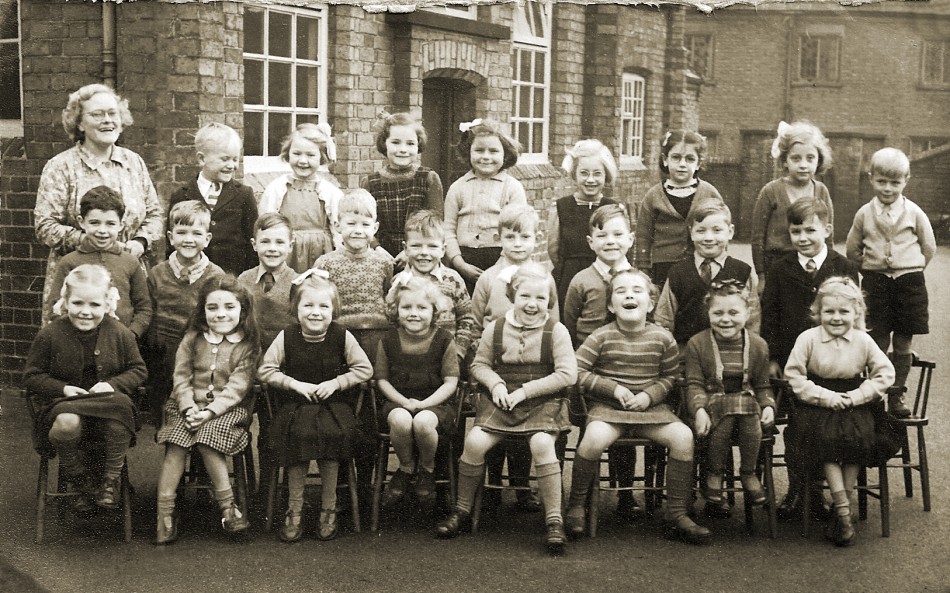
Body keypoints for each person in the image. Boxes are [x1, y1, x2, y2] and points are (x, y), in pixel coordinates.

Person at [436, 263, 577, 554]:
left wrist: (526, 391)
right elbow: (479, 365)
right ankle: (461, 511)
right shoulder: (496, 328)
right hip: (502, 399)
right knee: (474, 442)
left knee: (541, 444)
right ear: (513, 296)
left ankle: (553, 520)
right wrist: (497, 385)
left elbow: (567, 375)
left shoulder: (556, 330)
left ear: (549, 300)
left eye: (540, 298)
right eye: (525, 296)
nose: (532, 304)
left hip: (542, 400)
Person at [565, 269, 711, 545]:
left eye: (637, 290)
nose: (629, 295)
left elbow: (671, 377)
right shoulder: (600, 336)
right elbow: (577, 371)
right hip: (609, 409)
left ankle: (677, 513)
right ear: (610, 305)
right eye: (620, 291)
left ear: (651, 302)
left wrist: (650, 395)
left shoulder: (662, 337)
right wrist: (612, 388)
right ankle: (575, 507)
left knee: (683, 437)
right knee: (594, 437)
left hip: (650, 409)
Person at [760, 198, 858, 522]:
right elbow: (770, 316)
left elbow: (855, 317)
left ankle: (823, 489)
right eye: (796, 231)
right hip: (794, 364)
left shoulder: (843, 267)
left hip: (835, 365)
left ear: (827, 230)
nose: (803, 237)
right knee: (798, 428)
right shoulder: (781, 269)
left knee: (828, 427)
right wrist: (773, 356)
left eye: (810, 230)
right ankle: (799, 489)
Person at [258, 272, 373, 542]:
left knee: (331, 441)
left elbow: (364, 369)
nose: (315, 312)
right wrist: (293, 384)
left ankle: (328, 507)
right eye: (308, 306)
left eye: (323, 306)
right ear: (296, 309)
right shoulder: (287, 336)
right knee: (297, 439)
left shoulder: (341, 335)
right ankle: (294, 509)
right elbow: (265, 370)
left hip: (333, 407)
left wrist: (337, 382)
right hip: (296, 407)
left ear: (334, 310)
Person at [34, 83, 162, 323]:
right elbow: (45, 226)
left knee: (125, 345)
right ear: (79, 123)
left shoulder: (134, 163)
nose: (107, 120)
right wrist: (89, 241)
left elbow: (155, 214)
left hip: (127, 279)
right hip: (77, 282)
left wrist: (140, 243)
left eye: (112, 113)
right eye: (97, 114)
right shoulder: (60, 167)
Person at [24, 264, 147, 513]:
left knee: (119, 414)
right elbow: (32, 376)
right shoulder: (50, 334)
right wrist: (63, 388)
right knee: (68, 422)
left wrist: (111, 384)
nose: (85, 312)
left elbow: (138, 370)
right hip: (64, 405)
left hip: (109, 404)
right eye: (78, 303)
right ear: (65, 301)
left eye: (94, 305)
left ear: (107, 305)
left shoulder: (120, 333)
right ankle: (79, 479)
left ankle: (109, 481)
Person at [784, 277, 896, 547]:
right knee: (827, 440)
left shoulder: (863, 340)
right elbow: (794, 376)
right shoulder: (808, 338)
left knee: (860, 437)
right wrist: (825, 397)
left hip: (854, 401)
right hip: (817, 404)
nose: (836, 318)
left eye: (844, 312)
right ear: (817, 312)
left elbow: (885, 373)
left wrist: (858, 396)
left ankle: (840, 509)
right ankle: (844, 511)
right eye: (829, 311)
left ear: (856, 312)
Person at [153, 275, 261, 545]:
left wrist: (209, 412)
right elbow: (181, 377)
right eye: (212, 308)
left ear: (243, 310)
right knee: (176, 442)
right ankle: (164, 514)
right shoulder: (192, 339)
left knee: (207, 439)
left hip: (227, 411)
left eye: (229, 307)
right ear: (202, 310)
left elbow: (238, 387)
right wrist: (189, 406)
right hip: (185, 406)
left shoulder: (247, 345)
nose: (220, 314)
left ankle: (228, 506)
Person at [470, 204, 557, 513]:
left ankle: (521, 485)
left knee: (526, 428)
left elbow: (553, 323)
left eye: (525, 236)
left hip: (532, 366)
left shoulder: (543, 278)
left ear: (536, 239)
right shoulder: (488, 278)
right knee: (493, 423)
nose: (518, 243)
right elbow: (475, 319)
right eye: (511, 236)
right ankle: (493, 484)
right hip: (496, 361)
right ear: (500, 238)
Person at [561, 204, 643, 521]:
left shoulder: (637, 281)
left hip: (629, 366)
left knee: (626, 429)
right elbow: (568, 327)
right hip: (590, 370)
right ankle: (584, 496)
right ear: (590, 242)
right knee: (591, 430)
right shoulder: (581, 281)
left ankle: (624, 494)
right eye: (602, 235)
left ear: (631, 239)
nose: (611, 241)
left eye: (618, 234)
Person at [846, 147, 936, 418]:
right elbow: (852, 249)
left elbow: (928, 246)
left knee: (903, 343)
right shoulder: (864, 213)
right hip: (877, 283)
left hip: (909, 283)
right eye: (882, 181)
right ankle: (874, 393)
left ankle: (896, 395)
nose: (887, 188)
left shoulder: (914, 212)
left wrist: (911, 267)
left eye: (895, 182)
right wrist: (870, 268)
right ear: (871, 178)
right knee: (878, 340)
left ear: (906, 180)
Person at [685, 281, 775, 507]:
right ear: (708, 313)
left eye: (734, 312)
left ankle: (748, 472)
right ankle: (715, 473)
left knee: (744, 407)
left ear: (748, 313)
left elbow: (763, 385)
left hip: (747, 406)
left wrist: (768, 406)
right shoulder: (698, 343)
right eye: (718, 313)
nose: (726, 319)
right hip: (711, 403)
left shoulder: (758, 345)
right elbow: (694, 384)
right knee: (731, 411)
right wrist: (699, 411)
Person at [376, 278, 460, 512]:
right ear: (396, 310)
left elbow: (451, 381)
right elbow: (381, 379)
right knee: (402, 420)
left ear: (434, 311)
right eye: (407, 307)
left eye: (422, 308)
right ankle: (405, 467)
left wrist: (424, 404)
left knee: (423, 423)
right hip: (397, 401)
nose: (414, 314)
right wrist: (404, 402)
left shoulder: (444, 339)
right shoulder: (388, 339)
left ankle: (428, 468)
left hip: (436, 403)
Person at [143, 201, 224, 419]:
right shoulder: (157, 274)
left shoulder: (215, 276)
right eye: (181, 232)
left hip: (200, 354)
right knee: (165, 409)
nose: (188, 239)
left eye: (196, 233)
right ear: (170, 237)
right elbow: (148, 314)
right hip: (163, 355)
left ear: (207, 239)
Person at [46, 185, 152, 339]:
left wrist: (130, 335)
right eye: (95, 223)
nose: (102, 230)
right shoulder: (69, 262)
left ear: (121, 225)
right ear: (82, 222)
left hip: (120, 344)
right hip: (78, 343)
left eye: (110, 224)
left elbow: (144, 308)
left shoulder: (130, 262)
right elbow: (55, 307)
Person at [654, 201, 759, 350]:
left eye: (717, 230)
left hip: (731, 353)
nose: (708, 238)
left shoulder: (743, 271)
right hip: (686, 354)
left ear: (730, 231)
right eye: (701, 231)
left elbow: (753, 320)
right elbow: (664, 320)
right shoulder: (678, 273)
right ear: (691, 232)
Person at [443, 118, 527, 294]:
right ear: (468, 152)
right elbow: (448, 230)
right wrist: (459, 263)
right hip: (464, 261)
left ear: (505, 154)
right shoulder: (457, 188)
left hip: (503, 261)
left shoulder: (512, 187)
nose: (486, 157)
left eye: (493, 151)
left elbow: (519, 230)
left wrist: (502, 264)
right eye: (479, 150)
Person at [635, 130, 724, 289]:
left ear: (698, 163)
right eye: (676, 157)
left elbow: (721, 229)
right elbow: (643, 235)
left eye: (690, 159)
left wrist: (720, 260)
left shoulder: (709, 193)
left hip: (701, 263)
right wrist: (643, 268)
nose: (682, 164)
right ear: (665, 160)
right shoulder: (653, 196)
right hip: (663, 267)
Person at [751, 121, 834, 289]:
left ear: (818, 160)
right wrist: (761, 276)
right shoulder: (771, 191)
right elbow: (758, 237)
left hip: (811, 265)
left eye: (810, 158)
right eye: (796, 158)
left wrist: (827, 269)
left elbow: (828, 236)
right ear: (785, 161)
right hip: (776, 265)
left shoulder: (821, 191)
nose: (803, 165)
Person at [312, 188, 394, 360]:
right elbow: (318, 299)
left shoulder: (384, 262)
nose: (358, 230)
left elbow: (388, 294)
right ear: (337, 225)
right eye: (351, 224)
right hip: (341, 333)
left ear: (375, 228)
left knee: (375, 376)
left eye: (365, 225)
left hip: (377, 334)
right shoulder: (325, 263)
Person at [168, 123, 258, 276]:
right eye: (225, 159)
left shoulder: (244, 194)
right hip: (193, 276)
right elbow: (171, 244)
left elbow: (252, 242)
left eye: (235, 159)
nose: (232, 165)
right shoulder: (181, 195)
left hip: (232, 277)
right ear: (202, 159)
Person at [387, 210, 476, 363]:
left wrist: (458, 352)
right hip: (409, 357)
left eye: (432, 246)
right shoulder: (400, 282)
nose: (424, 253)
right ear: (405, 248)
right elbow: (391, 320)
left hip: (448, 358)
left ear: (443, 250)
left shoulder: (453, 280)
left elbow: (466, 318)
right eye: (416, 246)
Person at [547, 139, 619, 315]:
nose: (591, 180)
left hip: (606, 277)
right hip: (568, 278)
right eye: (584, 173)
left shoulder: (613, 207)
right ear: (574, 175)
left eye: (597, 174)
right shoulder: (561, 207)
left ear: (606, 176)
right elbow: (553, 249)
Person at [259, 123, 344, 273]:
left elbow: (339, 229)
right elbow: (265, 223)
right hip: (287, 254)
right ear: (288, 154)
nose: (303, 161)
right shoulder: (277, 189)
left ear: (322, 158)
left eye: (310, 155)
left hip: (322, 255)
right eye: (297, 154)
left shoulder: (330, 192)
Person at [361, 112, 444, 262]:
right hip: (378, 254)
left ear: (418, 145)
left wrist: (409, 252)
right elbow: (364, 222)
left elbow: (435, 224)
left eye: (410, 144)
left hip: (419, 253)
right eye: (396, 142)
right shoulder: (370, 182)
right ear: (384, 143)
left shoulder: (428, 178)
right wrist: (376, 247)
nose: (403, 149)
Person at [237, 212, 298, 351]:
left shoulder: (298, 283)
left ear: (290, 246)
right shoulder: (243, 280)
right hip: (250, 354)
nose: (272, 248)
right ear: (254, 244)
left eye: (280, 242)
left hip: (286, 354)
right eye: (265, 242)